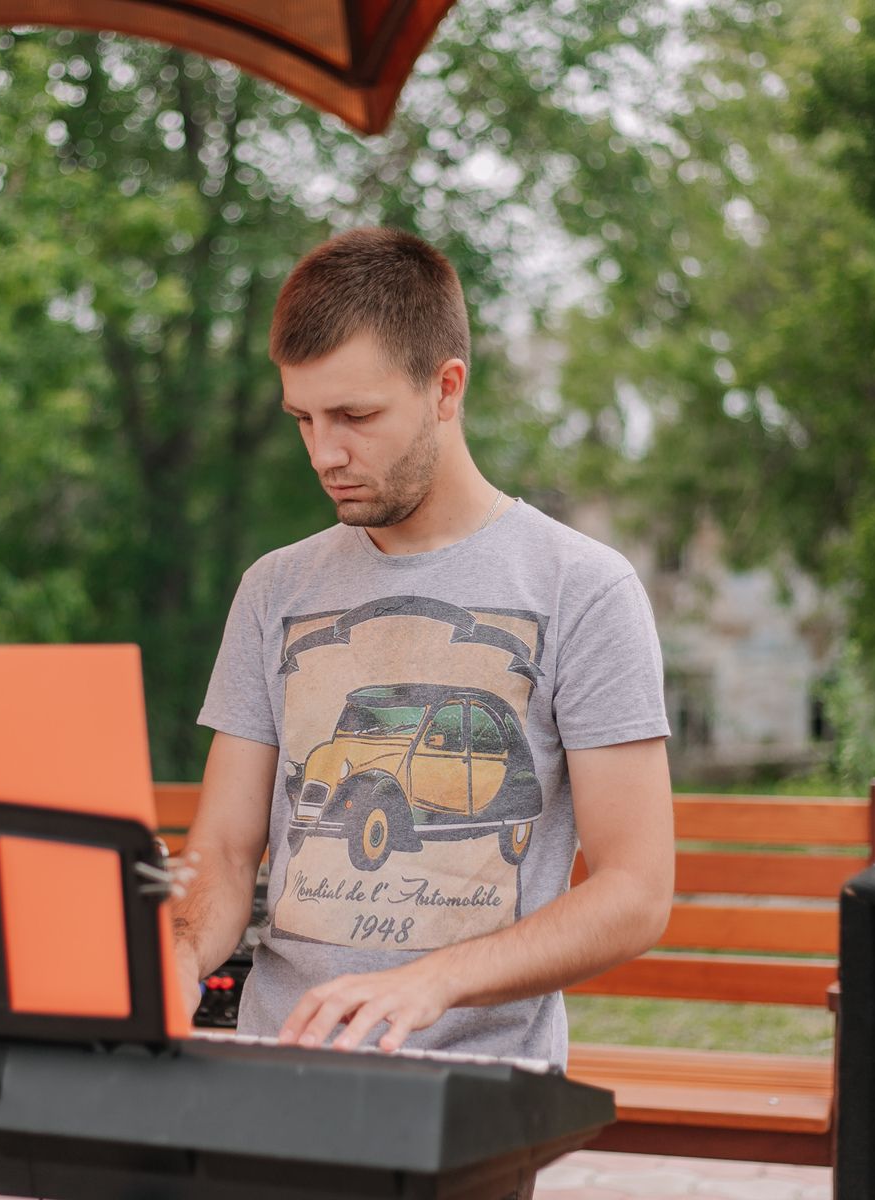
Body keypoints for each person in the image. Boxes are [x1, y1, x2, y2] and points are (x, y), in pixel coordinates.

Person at [171, 226, 674, 1072]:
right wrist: (177, 956)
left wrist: (430, 982)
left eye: (356, 416)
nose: (325, 453)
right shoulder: (273, 588)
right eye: (303, 419)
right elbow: (221, 851)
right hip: (275, 1069)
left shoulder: (583, 587)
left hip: (475, 1082)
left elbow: (636, 892)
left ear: (446, 388)